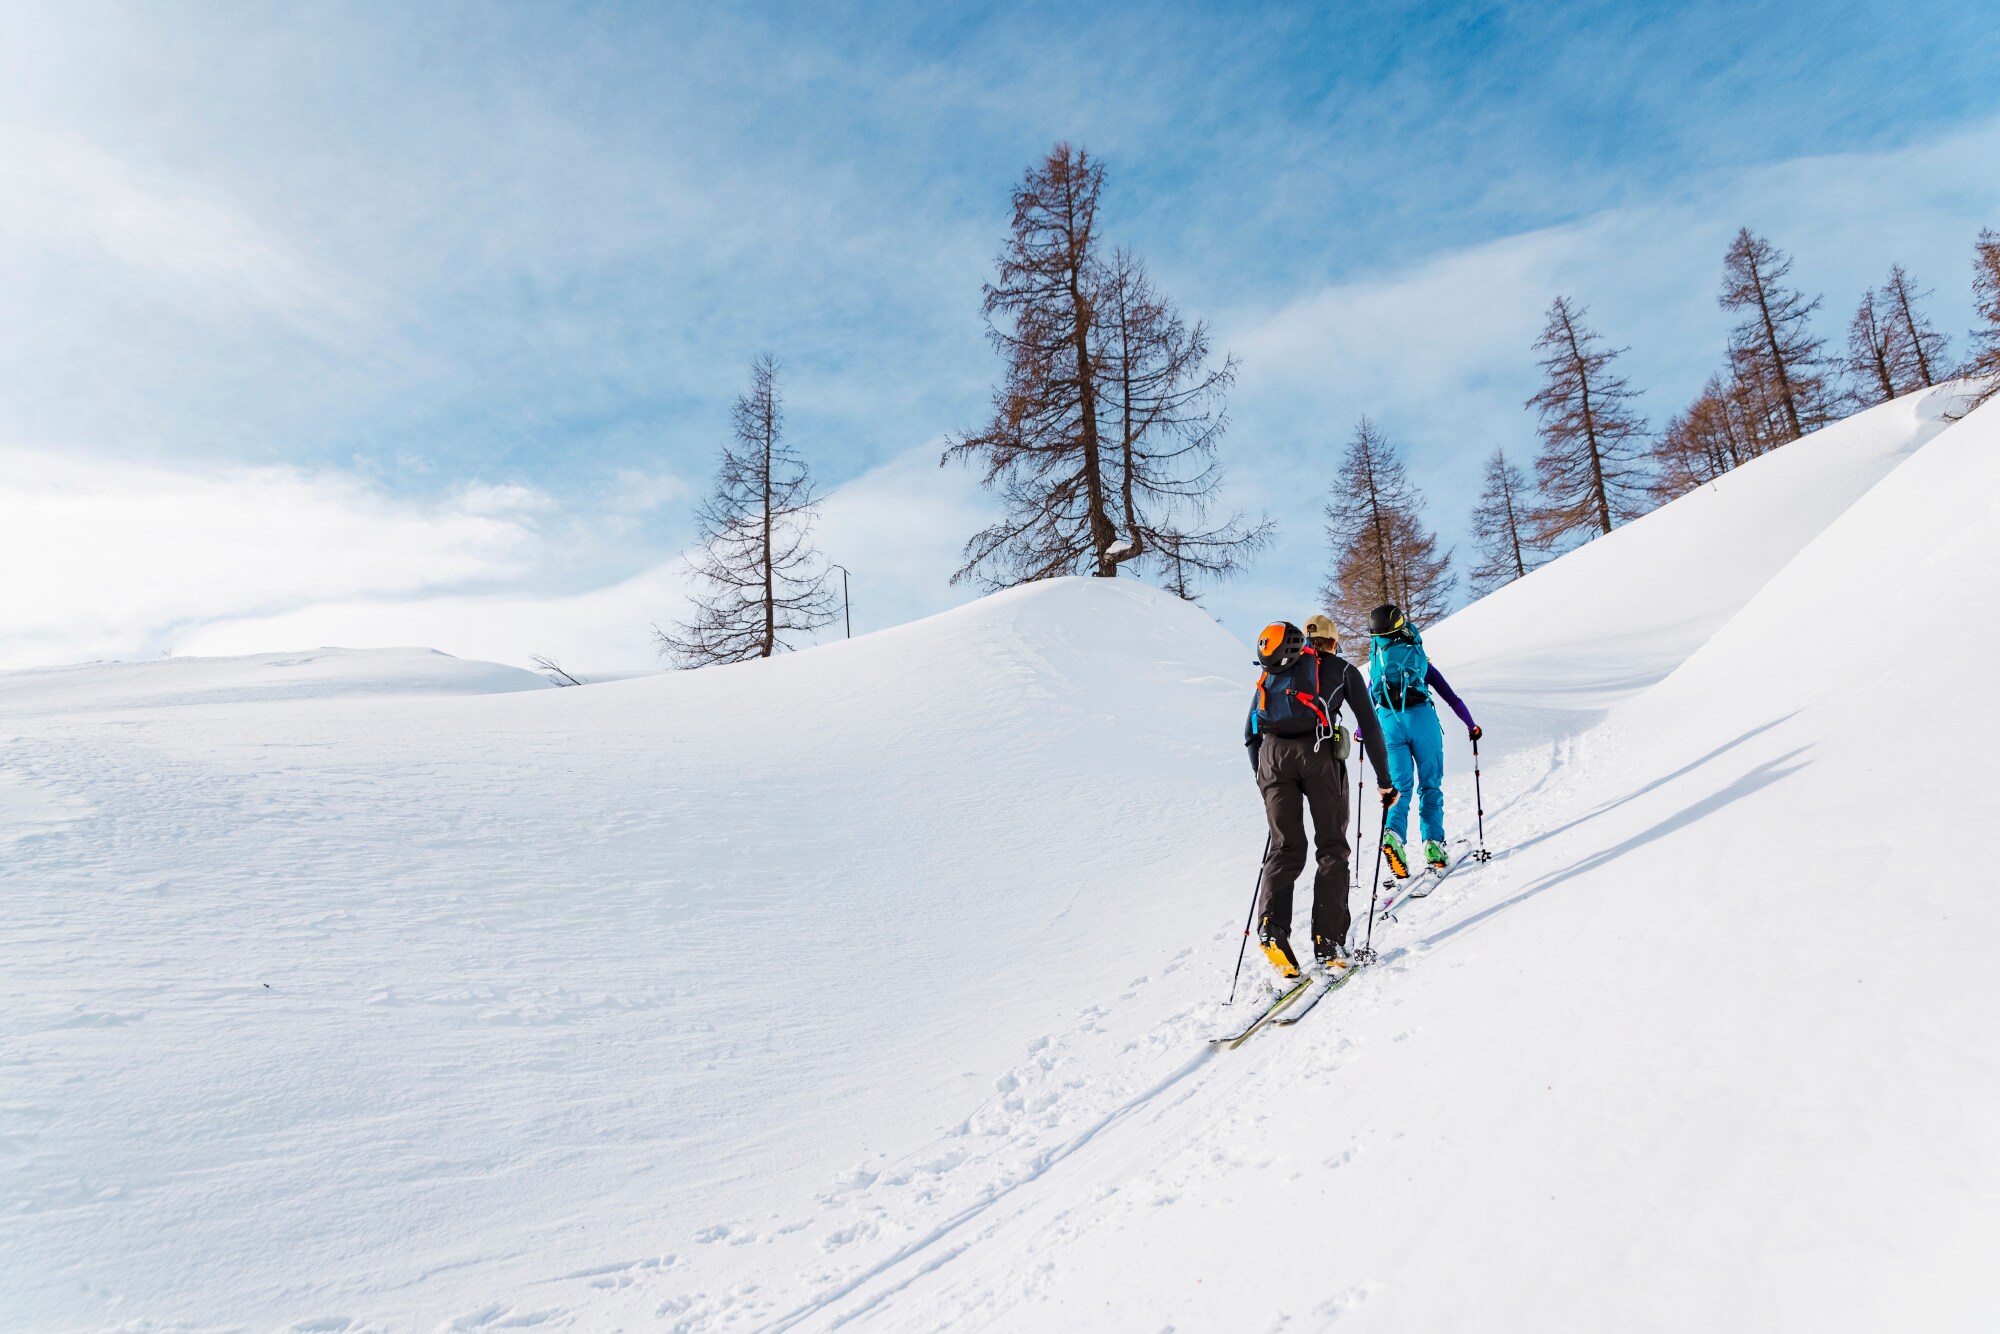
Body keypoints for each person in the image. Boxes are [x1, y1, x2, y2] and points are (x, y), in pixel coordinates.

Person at [1244, 615, 1394, 977]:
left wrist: (1265, 778)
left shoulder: (1276, 672)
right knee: (1331, 847)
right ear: (1333, 642)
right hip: (1319, 754)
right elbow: (1370, 725)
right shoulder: (1342, 671)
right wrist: (1385, 781)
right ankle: (1328, 943)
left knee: (1285, 847)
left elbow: (1250, 731)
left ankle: (1271, 927)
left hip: (1271, 757)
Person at [1364, 603, 1481, 878]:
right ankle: (1433, 846)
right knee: (1429, 784)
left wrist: (1361, 731)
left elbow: (1368, 700)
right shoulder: (1419, 660)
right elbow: (1451, 698)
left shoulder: (1378, 665)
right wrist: (1471, 725)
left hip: (1388, 723)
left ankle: (1393, 836)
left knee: (1399, 788)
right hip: (1422, 721)